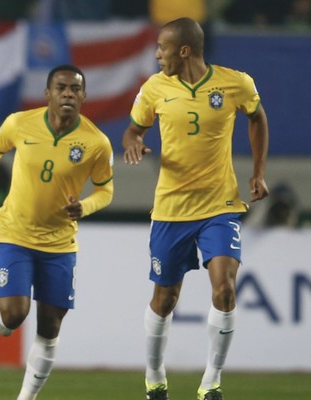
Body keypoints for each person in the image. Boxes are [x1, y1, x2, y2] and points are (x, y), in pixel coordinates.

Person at [121, 17, 269, 400]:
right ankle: (155, 377)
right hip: (171, 210)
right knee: (165, 299)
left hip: (219, 206)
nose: (156, 55)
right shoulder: (154, 88)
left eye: (162, 48)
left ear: (183, 50)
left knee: (224, 290)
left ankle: (211, 383)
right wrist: (134, 141)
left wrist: (258, 172)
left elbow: (257, 118)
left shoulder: (236, 83)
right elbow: (134, 128)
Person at [0, 64, 114, 400]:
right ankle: (3, 309)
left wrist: (84, 207)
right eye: (61, 87)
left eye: (75, 88)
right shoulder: (19, 123)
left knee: (49, 327)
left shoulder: (96, 142)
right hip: (16, 235)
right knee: (13, 316)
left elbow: (106, 190)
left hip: (59, 243)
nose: (68, 94)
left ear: (84, 95)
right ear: (48, 94)